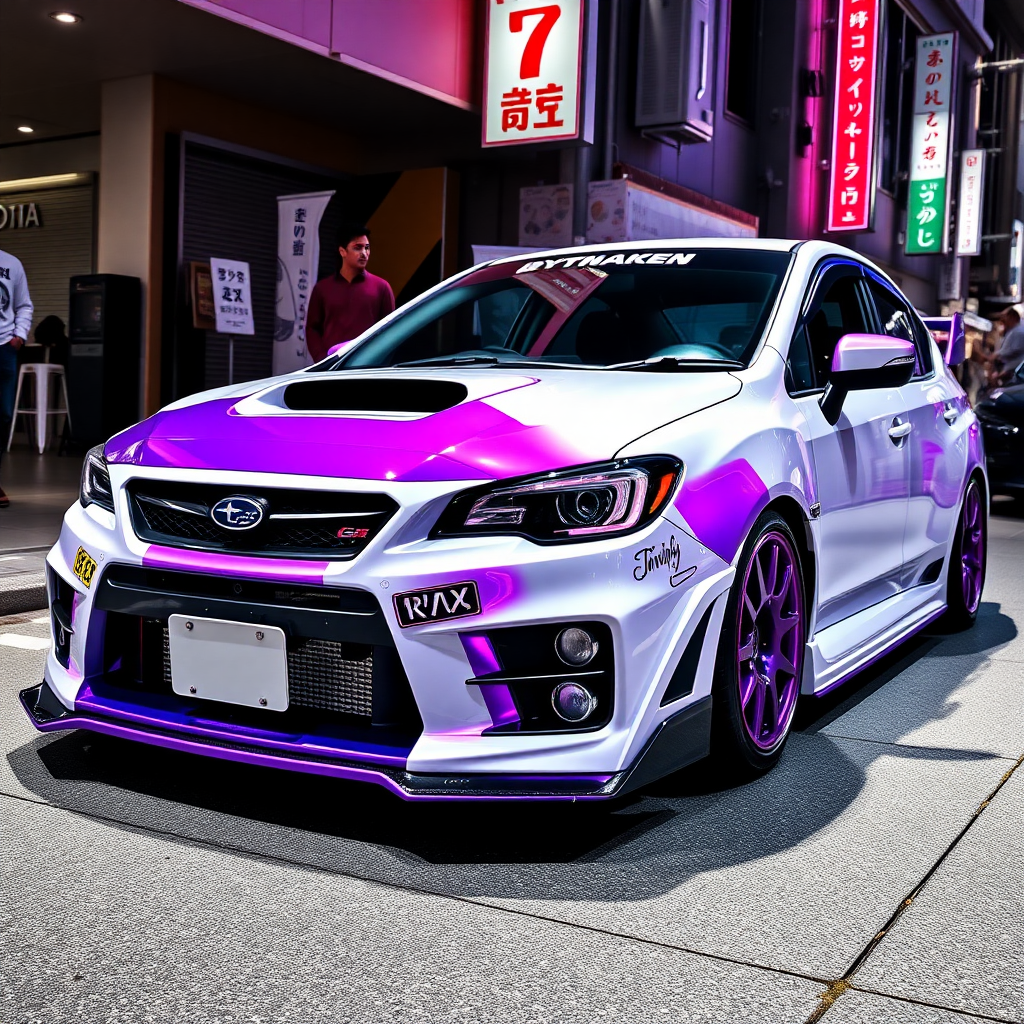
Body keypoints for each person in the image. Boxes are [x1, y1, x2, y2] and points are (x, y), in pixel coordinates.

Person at [305, 225, 395, 362]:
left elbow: (390, 330)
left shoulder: (381, 287)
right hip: (331, 366)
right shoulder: (322, 289)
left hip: (368, 366)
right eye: (357, 248)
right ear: (342, 251)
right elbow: (312, 329)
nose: (364, 253)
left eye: (367, 248)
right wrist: (321, 359)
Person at [0, 248, 34, 509]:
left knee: (3, 415)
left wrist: (19, 336)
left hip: (4, 349)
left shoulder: (12, 263)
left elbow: (23, 304)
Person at [989, 304, 1024, 386]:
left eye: (1006, 317)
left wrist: (997, 354)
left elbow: (1013, 350)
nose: (1003, 319)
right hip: (1009, 369)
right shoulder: (1013, 330)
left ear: (1013, 317)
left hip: (1013, 372)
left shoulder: (1018, 331)